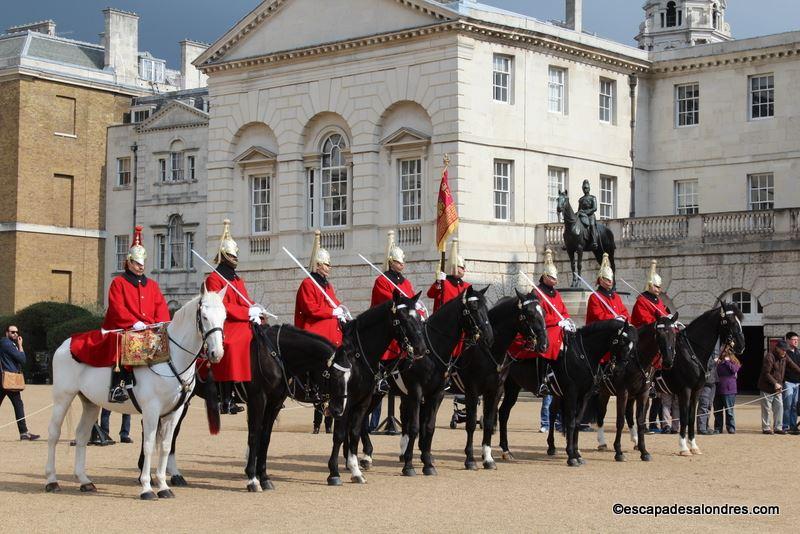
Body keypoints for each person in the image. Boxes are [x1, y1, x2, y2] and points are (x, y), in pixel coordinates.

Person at [72, 225, 171, 403]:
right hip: (122, 328)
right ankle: (118, 386)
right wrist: (133, 323)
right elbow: (117, 308)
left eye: (143, 264)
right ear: (129, 262)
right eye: (137, 263)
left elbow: (160, 307)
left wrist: (160, 324)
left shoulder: (153, 286)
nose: (141, 267)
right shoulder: (118, 282)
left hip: (148, 329)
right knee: (125, 342)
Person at [205, 219, 262, 415]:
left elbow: (244, 300)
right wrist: (246, 313)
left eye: (235, 254)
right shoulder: (213, 279)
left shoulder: (237, 279)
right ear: (223, 255)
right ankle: (227, 399)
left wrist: (254, 308)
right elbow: (219, 306)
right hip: (224, 323)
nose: (234, 258)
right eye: (230, 255)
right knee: (234, 344)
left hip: (242, 320)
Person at [295, 230, 343, 433]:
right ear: (317, 265)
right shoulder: (308, 283)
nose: (329, 267)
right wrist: (332, 311)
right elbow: (311, 309)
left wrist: (340, 310)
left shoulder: (327, 285)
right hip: (313, 327)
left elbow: (334, 303)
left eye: (329, 264)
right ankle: (317, 421)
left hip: (328, 325)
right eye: (326, 264)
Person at [0, 325, 39, 441]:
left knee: (18, 404)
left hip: (5, 378)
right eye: (12, 332)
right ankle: (24, 433)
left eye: (17, 332)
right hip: (8, 379)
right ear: (7, 333)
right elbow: (22, 359)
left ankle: (24, 432)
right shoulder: (7, 343)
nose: (15, 334)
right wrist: (21, 346)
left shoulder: (6, 343)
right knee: (18, 405)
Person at [758, 339, 800, 434]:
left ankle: (778, 428)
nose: (785, 352)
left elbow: (793, 366)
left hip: (778, 388)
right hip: (767, 387)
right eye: (783, 350)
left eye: (786, 350)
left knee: (779, 407)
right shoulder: (769, 357)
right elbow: (766, 373)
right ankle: (766, 428)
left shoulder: (785, 356)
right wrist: (775, 383)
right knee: (767, 408)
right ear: (777, 348)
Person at [427, 238, 471, 313]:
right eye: (462, 267)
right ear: (454, 267)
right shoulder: (444, 282)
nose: (464, 270)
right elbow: (430, 294)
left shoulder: (467, 286)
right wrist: (438, 282)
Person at [585, 254, 629, 325]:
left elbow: (624, 312)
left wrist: (624, 318)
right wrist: (614, 318)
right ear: (601, 280)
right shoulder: (594, 297)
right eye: (607, 279)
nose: (610, 281)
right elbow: (598, 315)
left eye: (611, 279)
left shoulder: (616, 297)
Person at [714, 345, 741, 434]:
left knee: (729, 411)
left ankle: (731, 427)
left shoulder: (734, 362)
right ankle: (718, 427)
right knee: (717, 411)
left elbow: (734, 370)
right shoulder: (718, 361)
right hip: (718, 389)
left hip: (729, 390)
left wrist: (727, 361)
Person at [781, 331, 800, 434]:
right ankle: (785, 425)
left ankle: (793, 426)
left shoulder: (799, 352)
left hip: (798, 383)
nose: (796, 341)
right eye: (794, 339)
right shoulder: (785, 353)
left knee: (794, 405)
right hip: (788, 382)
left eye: (797, 339)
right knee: (787, 404)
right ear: (788, 340)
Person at [697, 351, 719, 435]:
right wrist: (714, 361)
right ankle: (701, 428)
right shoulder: (704, 352)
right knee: (703, 404)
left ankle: (706, 426)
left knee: (709, 405)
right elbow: (705, 366)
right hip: (705, 382)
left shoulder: (714, 352)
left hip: (712, 381)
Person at [577, 179, 599, 250]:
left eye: (586, 188)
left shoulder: (593, 198)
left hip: (590, 215)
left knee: (592, 225)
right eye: (583, 188)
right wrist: (579, 213)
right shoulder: (581, 199)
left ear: (589, 188)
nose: (585, 189)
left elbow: (594, 208)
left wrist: (586, 212)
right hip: (582, 216)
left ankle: (594, 241)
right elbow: (579, 209)